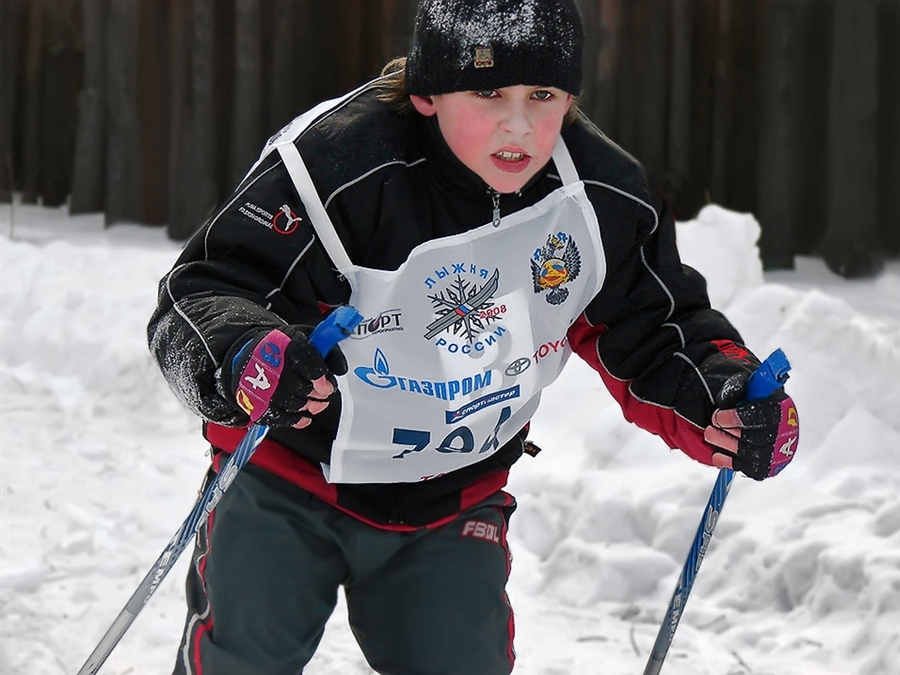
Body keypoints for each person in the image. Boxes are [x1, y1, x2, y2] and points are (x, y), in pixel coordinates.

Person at [148, 1, 800, 673]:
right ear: (428, 92)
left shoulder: (598, 197)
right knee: (242, 659)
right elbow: (203, 294)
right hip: (287, 475)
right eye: (488, 92)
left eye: (542, 95)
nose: (518, 124)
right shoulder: (335, 167)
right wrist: (246, 353)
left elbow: (656, 328)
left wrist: (727, 395)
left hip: (451, 494)